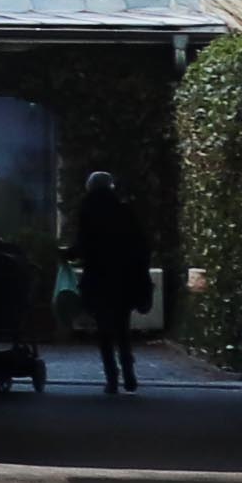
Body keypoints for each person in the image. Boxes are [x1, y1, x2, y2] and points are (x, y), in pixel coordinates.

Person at [72, 167, 153, 394]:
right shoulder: (124, 210)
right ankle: (129, 373)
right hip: (124, 277)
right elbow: (141, 244)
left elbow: (83, 244)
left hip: (98, 277)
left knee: (104, 330)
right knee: (122, 327)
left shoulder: (87, 210)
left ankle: (112, 379)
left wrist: (69, 254)